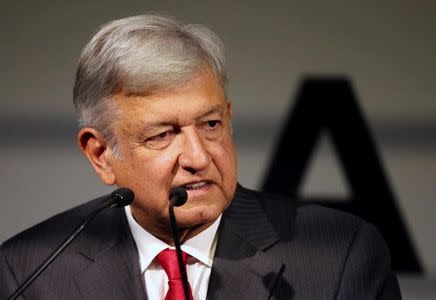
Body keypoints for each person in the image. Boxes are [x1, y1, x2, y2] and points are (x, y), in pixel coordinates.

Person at [0, 14, 401, 299]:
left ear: (228, 117)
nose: (198, 156)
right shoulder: (30, 271)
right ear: (101, 154)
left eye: (210, 125)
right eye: (162, 134)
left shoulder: (339, 254)